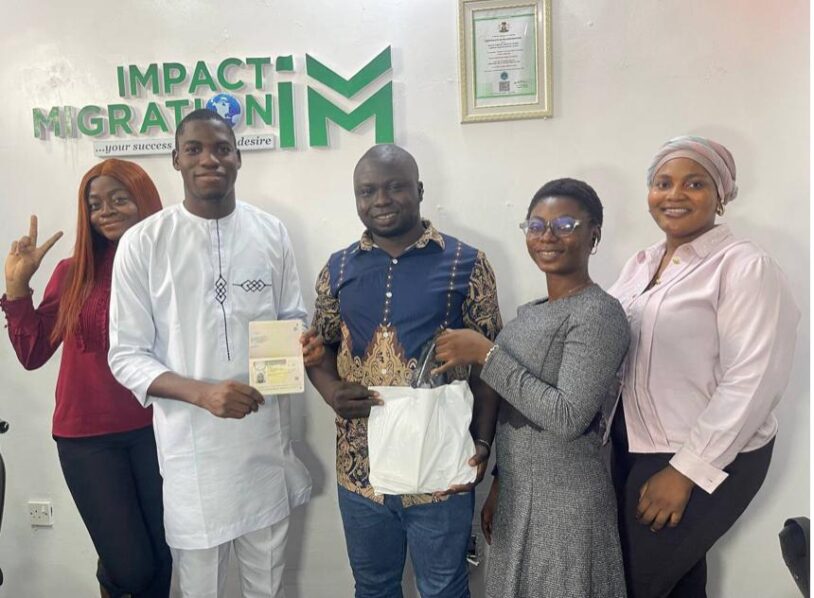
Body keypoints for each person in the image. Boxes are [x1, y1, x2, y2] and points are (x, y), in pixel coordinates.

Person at [108, 109, 321, 598]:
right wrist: (203, 394)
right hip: (193, 458)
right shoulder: (144, 242)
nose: (210, 159)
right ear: (176, 160)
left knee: (267, 587)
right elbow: (125, 355)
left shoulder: (270, 232)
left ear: (238, 158)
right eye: (195, 149)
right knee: (199, 588)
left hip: (264, 447)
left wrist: (302, 342)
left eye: (222, 149)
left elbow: (291, 315)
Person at [307, 144, 503, 598]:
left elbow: (492, 364)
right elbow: (318, 348)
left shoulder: (466, 263)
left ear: (419, 190)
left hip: (440, 465)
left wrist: (483, 443)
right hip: (361, 470)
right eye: (367, 191)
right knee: (373, 587)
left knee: (443, 588)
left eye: (395, 187)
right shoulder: (338, 268)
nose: (381, 200)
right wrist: (331, 391)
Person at [607, 136, 800, 598]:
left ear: (721, 196)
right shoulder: (641, 264)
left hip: (704, 451)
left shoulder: (744, 266)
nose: (674, 194)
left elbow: (753, 379)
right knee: (677, 583)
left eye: (694, 183)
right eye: (662, 183)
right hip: (633, 444)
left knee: (634, 583)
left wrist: (687, 470)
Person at [434, 178, 630, 598]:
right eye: (536, 225)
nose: (547, 236)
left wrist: (486, 354)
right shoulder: (530, 314)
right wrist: (500, 481)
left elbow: (568, 416)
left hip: (567, 504)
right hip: (519, 496)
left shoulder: (599, 314)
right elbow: (514, 412)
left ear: (594, 234)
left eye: (564, 225)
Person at [2, 159, 171, 597]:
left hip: (159, 430)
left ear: (144, 200)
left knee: (165, 560)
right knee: (131, 569)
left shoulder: (172, 269)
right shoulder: (73, 272)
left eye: (119, 199)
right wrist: (17, 287)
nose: (106, 211)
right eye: (95, 205)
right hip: (87, 439)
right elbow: (33, 353)